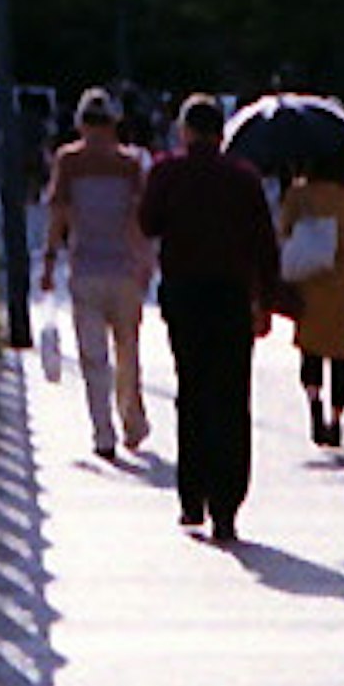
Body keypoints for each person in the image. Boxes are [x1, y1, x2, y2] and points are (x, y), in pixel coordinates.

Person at [139, 87, 281, 544]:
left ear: (185, 131)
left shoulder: (167, 172)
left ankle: (191, 497)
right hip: (231, 295)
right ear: (223, 133)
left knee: (192, 390)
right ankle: (227, 505)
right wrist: (267, 301)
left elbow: (148, 223)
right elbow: (264, 244)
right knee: (231, 397)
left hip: (183, 292)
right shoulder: (244, 178)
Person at [38, 87, 152, 465]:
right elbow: (139, 220)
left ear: (80, 124)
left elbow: (58, 214)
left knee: (93, 357)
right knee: (128, 350)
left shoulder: (68, 162)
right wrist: (145, 263)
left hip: (85, 267)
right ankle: (131, 421)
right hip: (124, 269)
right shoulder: (131, 163)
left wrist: (50, 263)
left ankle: (103, 431)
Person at [266, 123, 344, 447]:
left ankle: (314, 405)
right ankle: (337, 418)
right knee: (342, 358)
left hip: (309, 283)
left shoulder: (299, 194)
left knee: (310, 352)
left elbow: (283, 231)